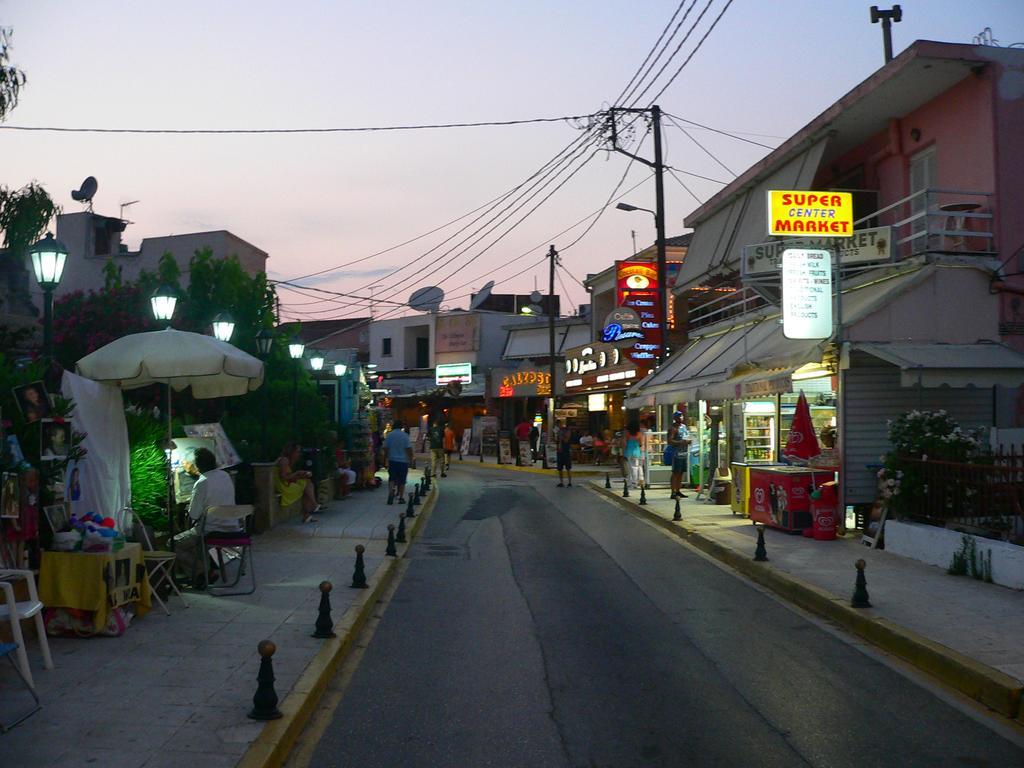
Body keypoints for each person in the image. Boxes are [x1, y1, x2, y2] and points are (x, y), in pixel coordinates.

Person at [173, 447, 239, 584]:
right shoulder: (225, 476)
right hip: (233, 529)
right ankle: (204, 571)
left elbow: (194, 515)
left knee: (173, 543)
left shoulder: (202, 483)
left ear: (197, 465)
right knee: (194, 541)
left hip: (211, 531)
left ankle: (202, 571)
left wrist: (191, 503)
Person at [275, 441, 319, 523]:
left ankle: (310, 510)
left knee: (306, 482)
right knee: (306, 486)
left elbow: (289, 477)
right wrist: (298, 473)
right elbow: (284, 477)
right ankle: (313, 505)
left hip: (286, 484)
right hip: (283, 487)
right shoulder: (284, 460)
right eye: (298, 451)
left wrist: (300, 475)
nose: (299, 454)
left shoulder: (287, 460)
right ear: (292, 451)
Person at [384, 419, 414, 502]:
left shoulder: (389, 435)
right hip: (403, 461)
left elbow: (385, 447)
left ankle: (390, 493)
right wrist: (411, 459)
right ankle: (401, 497)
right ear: (401, 426)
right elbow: (408, 449)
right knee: (402, 480)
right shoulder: (405, 436)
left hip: (392, 460)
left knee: (392, 478)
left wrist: (387, 456)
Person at [668, 411, 691, 499]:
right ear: (675, 418)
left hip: (684, 453)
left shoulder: (684, 427)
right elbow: (670, 441)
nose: (681, 418)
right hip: (676, 453)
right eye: (679, 417)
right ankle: (673, 491)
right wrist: (681, 442)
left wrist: (689, 441)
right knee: (675, 472)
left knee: (681, 472)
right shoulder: (673, 428)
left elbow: (686, 436)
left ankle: (678, 490)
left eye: (681, 416)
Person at [622, 422, 643, 488]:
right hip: (637, 452)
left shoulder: (627, 434)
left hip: (628, 452)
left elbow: (624, 444)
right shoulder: (639, 434)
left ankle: (630, 482)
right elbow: (641, 444)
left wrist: (623, 451)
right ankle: (635, 482)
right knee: (635, 467)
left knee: (629, 467)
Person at [556, 422, 574, 487]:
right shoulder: (559, 432)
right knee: (560, 468)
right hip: (560, 451)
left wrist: (562, 437)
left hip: (566, 451)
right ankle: (561, 482)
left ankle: (569, 482)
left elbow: (566, 440)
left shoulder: (567, 432)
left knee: (568, 467)